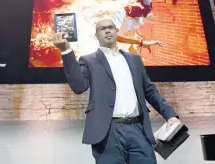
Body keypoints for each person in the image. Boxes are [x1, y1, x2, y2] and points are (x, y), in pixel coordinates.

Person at [53, 18, 181, 164]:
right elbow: (79, 86)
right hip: (108, 132)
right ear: (97, 36)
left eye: (110, 27)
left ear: (116, 32)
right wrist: (66, 51)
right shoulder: (88, 60)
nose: (107, 30)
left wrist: (169, 115)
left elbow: (150, 90)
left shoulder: (134, 60)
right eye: (102, 29)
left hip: (138, 129)